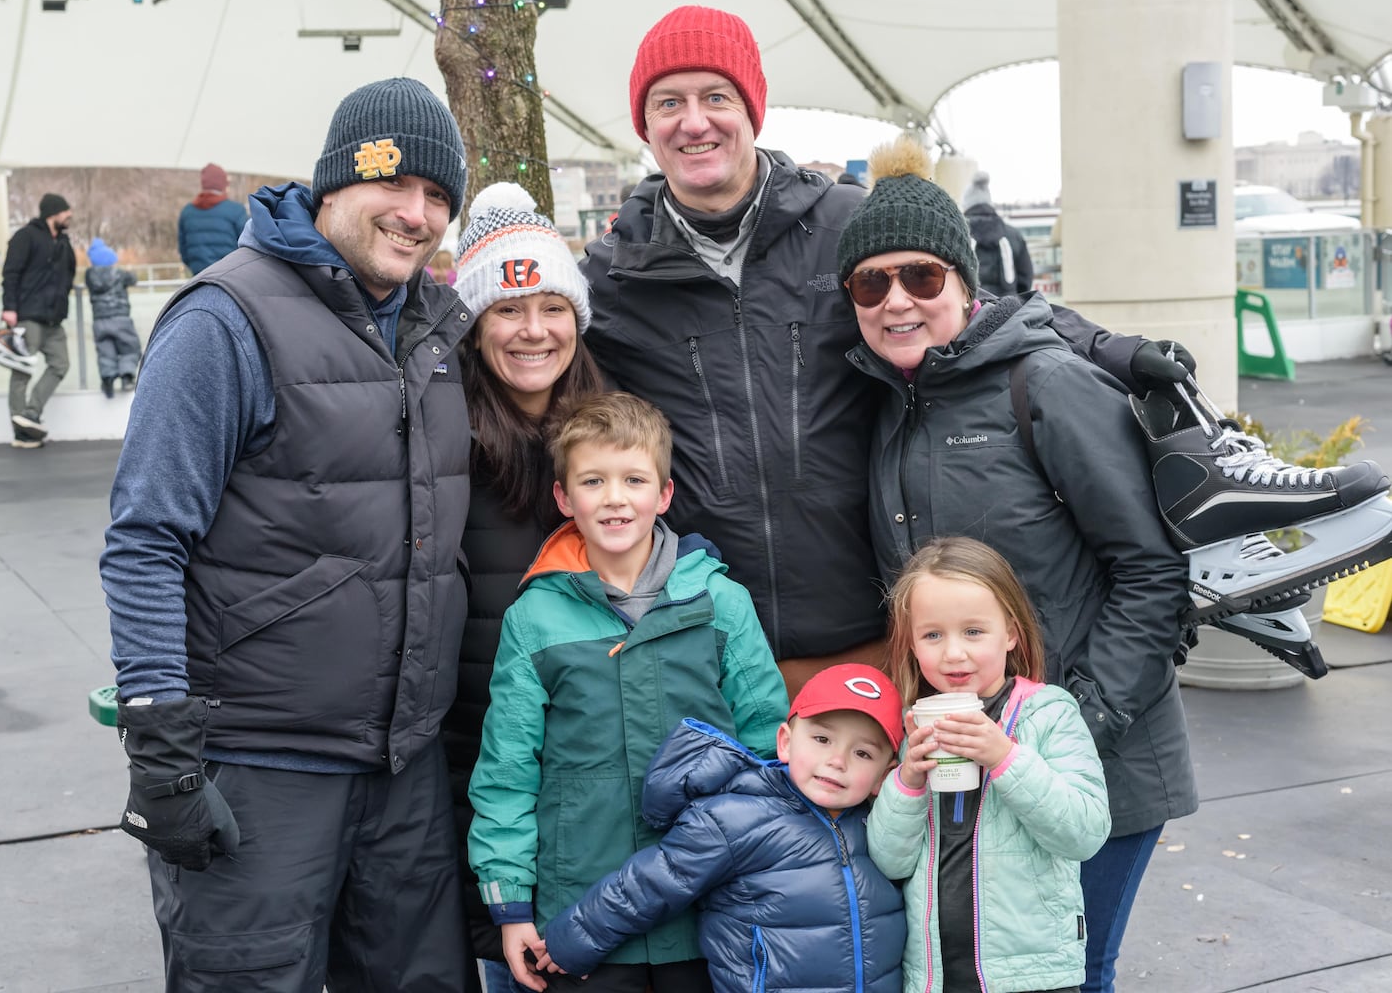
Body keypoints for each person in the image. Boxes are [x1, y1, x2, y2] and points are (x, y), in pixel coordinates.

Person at [582, 5, 1196, 699]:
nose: (694, 122)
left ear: (753, 109)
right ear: (645, 125)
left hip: (877, 634)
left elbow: (973, 311)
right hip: (716, 637)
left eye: (716, 97)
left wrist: (1110, 348)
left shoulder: (842, 225)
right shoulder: (613, 276)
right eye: (669, 103)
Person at [99, 77, 476, 992]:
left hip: (402, 772)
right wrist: (162, 751)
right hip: (261, 770)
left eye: (437, 197)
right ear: (334, 186)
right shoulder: (227, 319)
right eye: (397, 185)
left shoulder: (432, 328)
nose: (416, 214)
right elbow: (145, 539)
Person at [839, 134, 1194, 993]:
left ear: (965, 283)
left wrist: (1076, 724)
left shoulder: (1046, 383)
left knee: (1075, 973)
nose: (897, 300)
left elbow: (1152, 571)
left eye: (921, 277)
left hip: (1093, 759)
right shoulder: (894, 405)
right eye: (870, 283)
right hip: (974, 765)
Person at [467, 391, 790, 993]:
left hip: (706, 908)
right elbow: (507, 769)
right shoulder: (536, 616)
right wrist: (509, 903)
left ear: (663, 494)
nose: (615, 498)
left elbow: (767, 748)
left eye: (634, 479)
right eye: (593, 480)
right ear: (565, 498)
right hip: (580, 913)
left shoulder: (721, 603)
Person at [442, 181, 606, 993]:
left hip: (596, 768)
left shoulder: (612, 430)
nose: (533, 330)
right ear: (475, 325)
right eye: (507, 310)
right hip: (479, 766)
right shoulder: (443, 438)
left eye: (552, 305)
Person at [540, 663, 907, 992]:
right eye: (822, 739)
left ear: (883, 776)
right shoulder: (736, 817)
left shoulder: (880, 825)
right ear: (785, 742)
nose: (837, 761)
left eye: (863, 753)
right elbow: (651, 882)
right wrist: (573, 940)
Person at [868, 537, 1111, 993]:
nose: (953, 653)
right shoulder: (918, 722)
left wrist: (1005, 758)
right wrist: (908, 781)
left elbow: (1085, 832)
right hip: (935, 977)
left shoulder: (1047, 714)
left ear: (1012, 633)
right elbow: (891, 861)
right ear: (912, 644)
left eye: (974, 632)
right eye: (933, 635)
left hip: (1032, 976)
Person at [1, 192, 75, 448]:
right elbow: (10, 273)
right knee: (22, 368)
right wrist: (9, 307)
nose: (70, 215)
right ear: (53, 213)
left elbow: (69, 275)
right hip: (28, 316)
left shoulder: (64, 242)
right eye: (66, 211)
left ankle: (30, 415)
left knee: (60, 364)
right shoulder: (26, 236)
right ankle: (20, 431)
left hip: (54, 319)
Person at [83, 237, 142, 398]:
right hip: (121, 318)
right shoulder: (120, 274)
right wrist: (130, 270)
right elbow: (133, 279)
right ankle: (127, 376)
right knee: (129, 347)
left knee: (105, 350)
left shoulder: (89, 275)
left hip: (100, 320)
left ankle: (107, 379)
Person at [962, 170, 1033, 296]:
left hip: (969, 307)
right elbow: (1025, 277)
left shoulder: (958, 234)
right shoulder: (1013, 235)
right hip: (1009, 307)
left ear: (967, 204)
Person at [177, 162, 248, 276]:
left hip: (199, 277)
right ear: (223, 184)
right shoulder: (236, 210)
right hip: (230, 277)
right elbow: (247, 246)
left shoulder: (187, 212)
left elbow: (183, 251)